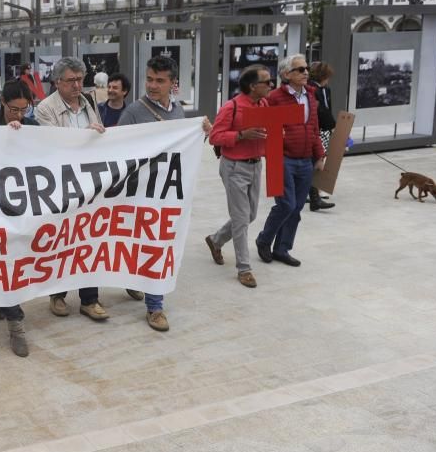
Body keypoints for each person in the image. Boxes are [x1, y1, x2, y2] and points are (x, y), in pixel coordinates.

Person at [117, 56, 213, 332]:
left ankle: (151, 299)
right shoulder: (134, 111)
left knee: (158, 244)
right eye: (149, 78)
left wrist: (200, 134)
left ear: (173, 84)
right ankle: (150, 299)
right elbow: (117, 148)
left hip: (168, 193)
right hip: (141, 192)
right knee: (144, 243)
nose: (153, 85)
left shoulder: (178, 112)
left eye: (160, 80)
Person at [35, 57, 119, 322]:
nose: (77, 85)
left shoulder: (89, 102)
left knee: (89, 239)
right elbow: (54, 144)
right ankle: (58, 295)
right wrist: (87, 133)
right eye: (71, 80)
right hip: (60, 184)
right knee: (61, 239)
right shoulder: (45, 108)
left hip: (89, 183)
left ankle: (89, 299)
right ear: (57, 82)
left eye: (80, 79)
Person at [0, 80, 38, 357]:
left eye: (24, 109)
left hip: (25, 209)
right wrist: (4, 136)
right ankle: (16, 325)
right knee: (3, 259)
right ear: (3, 104)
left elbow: (61, 152)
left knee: (16, 260)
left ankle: (0, 299)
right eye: (14, 109)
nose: (19, 115)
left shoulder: (35, 129)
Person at [206, 64, 273, 289]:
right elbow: (215, 136)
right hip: (235, 167)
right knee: (242, 218)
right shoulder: (231, 106)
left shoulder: (264, 103)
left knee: (250, 214)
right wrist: (241, 135)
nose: (271, 85)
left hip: (256, 165)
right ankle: (244, 268)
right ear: (253, 86)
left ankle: (216, 240)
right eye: (267, 82)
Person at [256, 54, 326, 268]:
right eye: (300, 69)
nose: (306, 72)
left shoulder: (311, 96)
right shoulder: (274, 97)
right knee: (286, 204)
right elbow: (262, 124)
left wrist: (320, 154)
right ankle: (264, 240)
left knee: (296, 208)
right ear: (287, 74)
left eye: (306, 68)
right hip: (281, 157)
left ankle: (282, 249)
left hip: (305, 159)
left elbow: (314, 128)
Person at [308, 61, 336, 212]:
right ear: (322, 75)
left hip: (324, 129)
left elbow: (327, 109)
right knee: (317, 161)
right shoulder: (311, 90)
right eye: (327, 76)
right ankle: (314, 198)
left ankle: (314, 193)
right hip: (316, 129)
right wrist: (334, 125)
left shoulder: (326, 89)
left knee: (319, 159)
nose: (329, 79)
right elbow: (320, 112)